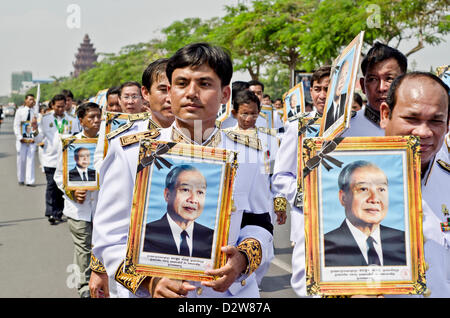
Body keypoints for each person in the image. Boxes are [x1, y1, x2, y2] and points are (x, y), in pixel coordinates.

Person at [92, 43, 274, 298]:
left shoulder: (247, 154)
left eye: (204, 84)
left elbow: (259, 223)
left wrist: (241, 260)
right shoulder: (132, 154)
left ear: (224, 95)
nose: (191, 93)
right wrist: (150, 282)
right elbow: (109, 237)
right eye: (181, 83)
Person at [379, 72, 450, 297]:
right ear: (385, 115)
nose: (424, 132)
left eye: (436, 121)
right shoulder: (344, 183)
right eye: (411, 119)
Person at [54, 102, 102, 298]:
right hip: (78, 208)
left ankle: (97, 282)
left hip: (101, 207)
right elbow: (59, 175)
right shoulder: (70, 144)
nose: (97, 121)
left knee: (95, 246)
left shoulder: (107, 144)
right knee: (83, 247)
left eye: (99, 116)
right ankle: (84, 287)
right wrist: (72, 192)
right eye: (91, 117)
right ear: (81, 120)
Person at [324, 160, 406, 267]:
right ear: (343, 198)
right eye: (363, 189)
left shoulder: (405, 242)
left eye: (381, 189)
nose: (374, 199)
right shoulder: (323, 247)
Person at [143, 165, 213, 258]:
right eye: (185, 190)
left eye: (200, 192)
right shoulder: (144, 235)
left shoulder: (213, 238)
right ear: (167, 195)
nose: (193, 199)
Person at [341, 42, 407, 137]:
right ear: (363, 86)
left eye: (389, 79)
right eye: (372, 79)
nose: (381, 88)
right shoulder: (345, 130)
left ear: (405, 82)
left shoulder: (419, 127)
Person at [34, 94, 80, 224]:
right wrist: (34, 129)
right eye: (58, 106)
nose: (60, 109)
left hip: (66, 158)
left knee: (61, 186)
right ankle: (50, 212)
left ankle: (58, 212)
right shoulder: (45, 119)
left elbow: (77, 136)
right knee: (51, 185)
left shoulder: (72, 119)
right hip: (50, 158)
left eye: (62, 106)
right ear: (52, 106)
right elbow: (38, 139)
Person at [141, 58, 175, 129]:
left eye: (175, 90)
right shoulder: (127, 137)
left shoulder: (200, 134)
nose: (170, 99)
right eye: (163, 90)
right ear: (146, 93)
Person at [13, 94, 39, 186]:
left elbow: (37, 128)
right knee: (21, 160)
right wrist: (20, 137)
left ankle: (30, 181)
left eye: (33, 100)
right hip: (22, 140)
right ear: (26, 100)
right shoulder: (20, 111)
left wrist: (34, 137)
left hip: (31, 140)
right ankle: (21, 178)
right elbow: (16, 125)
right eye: (30, 99)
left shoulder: (36, 113)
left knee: (31, 160)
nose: (32, 101)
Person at [324, 59, 350, 131]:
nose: (342, 81)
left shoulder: (348, 104)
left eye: (345, 75)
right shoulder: (326, 115)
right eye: (341, 75)